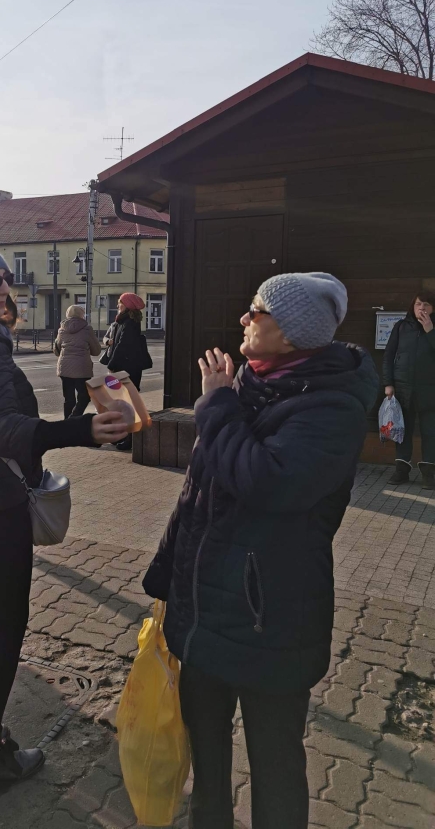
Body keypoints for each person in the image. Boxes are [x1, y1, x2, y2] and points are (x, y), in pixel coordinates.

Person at [143, 272, 379, 829]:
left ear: (291, 334)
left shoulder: (331, 406)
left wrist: (216, 405)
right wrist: (166, 574)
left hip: (268, 619)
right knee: (207, 762)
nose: (244, 319)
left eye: (257, 311)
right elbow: (198, 492)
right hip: (205, 611)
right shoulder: (249, 381)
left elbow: (268, 482)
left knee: (276, 768)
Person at [0, 230, 128, 790]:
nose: (4, 287)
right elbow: (0, 430)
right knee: (4, 627)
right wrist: (83, 430)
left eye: (7, 278)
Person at [382, 292, 435, 488]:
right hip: (403, 389)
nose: (421, 308)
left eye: (426, 304)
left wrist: (430, 330)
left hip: (430, 391)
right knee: (402, 431)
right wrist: (388, 383)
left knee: (430, 433)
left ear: (433, 308)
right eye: (418, 304)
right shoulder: (401, 327)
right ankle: (401, 470)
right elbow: (388, 356)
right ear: (413, 307)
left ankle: (429, 474)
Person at [106, 293, 151, 450]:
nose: (117, 305)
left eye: (120, 303)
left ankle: (129, 438)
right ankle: (122, 435)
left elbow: (122, 345)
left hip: (128, 369)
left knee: (128, 405)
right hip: (128, 368)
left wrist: (112, 364)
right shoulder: (124, 321)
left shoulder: (129, 323)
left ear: (127, 306)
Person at [54, 305, 101, 418]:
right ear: (82, 315)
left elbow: (56, 351)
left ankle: (67, 423)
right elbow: (96, 351)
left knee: (68, 398)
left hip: (64, 367)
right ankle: (74, 418)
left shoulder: (62, 329)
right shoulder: (87, 329)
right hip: (82, 368)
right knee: (84, 396)